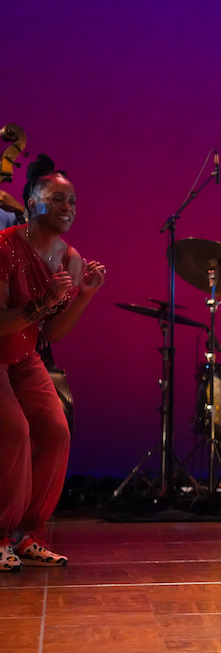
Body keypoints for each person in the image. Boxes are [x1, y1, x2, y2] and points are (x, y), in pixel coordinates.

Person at [0, 154, 106, 571]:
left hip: (24, 357)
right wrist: (44, 302)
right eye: (58, 198)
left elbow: (52, 334)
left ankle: (26, 534)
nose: (68, 207)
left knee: (56, 431)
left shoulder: (70, 259)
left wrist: (84, 297)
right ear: (31, 202)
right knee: (15, 431)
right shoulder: (4, 246)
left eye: (73, 201)